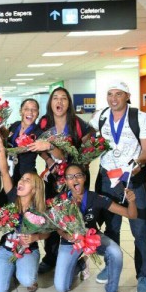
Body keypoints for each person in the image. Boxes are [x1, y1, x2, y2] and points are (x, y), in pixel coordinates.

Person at [89, 80, 146, 292]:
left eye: (118, 94)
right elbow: (90, 143)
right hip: (108, 180)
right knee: (111, 229)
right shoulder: (100, 117)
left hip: (132, 180)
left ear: (127, 96)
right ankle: (111, 266)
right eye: (110, 94)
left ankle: (143, 276)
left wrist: (137, 165)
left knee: (140, 231)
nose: (114, 98)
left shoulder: (140, 118)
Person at [53, 164, 137, 292]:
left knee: (115, 252)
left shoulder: (96, 198)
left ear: (84, 178)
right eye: (70, 177)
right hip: (70, 241)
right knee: (61, 287)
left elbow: (131, 214)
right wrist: (66, 235)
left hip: (92, 237)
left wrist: (132, 202)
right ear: (65, 181)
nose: (75, 179)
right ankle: (81, 264)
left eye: (78, 175)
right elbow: (57, 226)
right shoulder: (61, 200)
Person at [38, 87, 95, 274]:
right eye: (56, 98)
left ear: (68, 103)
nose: (59, 102)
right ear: (51, 102)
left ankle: (75, 257)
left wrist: (78, 166)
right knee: (53, 214)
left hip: (73, 179)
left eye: (63, 98)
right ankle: (50, 256)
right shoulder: (45, 122)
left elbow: (89, 145)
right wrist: (48, 160)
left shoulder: (77, 123)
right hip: (54, 177)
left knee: (73, 216)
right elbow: (39, 146)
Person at [0, 135, 50, 292]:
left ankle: (26, 271)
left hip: (28, 250)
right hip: (6, 249)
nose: (21, 182)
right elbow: (4, 171)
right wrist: (1, 149)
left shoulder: (39, 209)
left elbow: (47, 232)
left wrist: (34, 238)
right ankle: (12, 268)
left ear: (34, 189)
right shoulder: (11, 197)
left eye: (26, 181)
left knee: (27, 280)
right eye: (21, 179)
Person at [5, 98, 46, 183]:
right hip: (10, 174)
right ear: (21, 112)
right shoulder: (15, 126)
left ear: (38, 114)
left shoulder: (39, 133)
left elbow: (46, 152)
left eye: (34, 110)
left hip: (27, 177)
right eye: (26, 109)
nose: (30, 112)